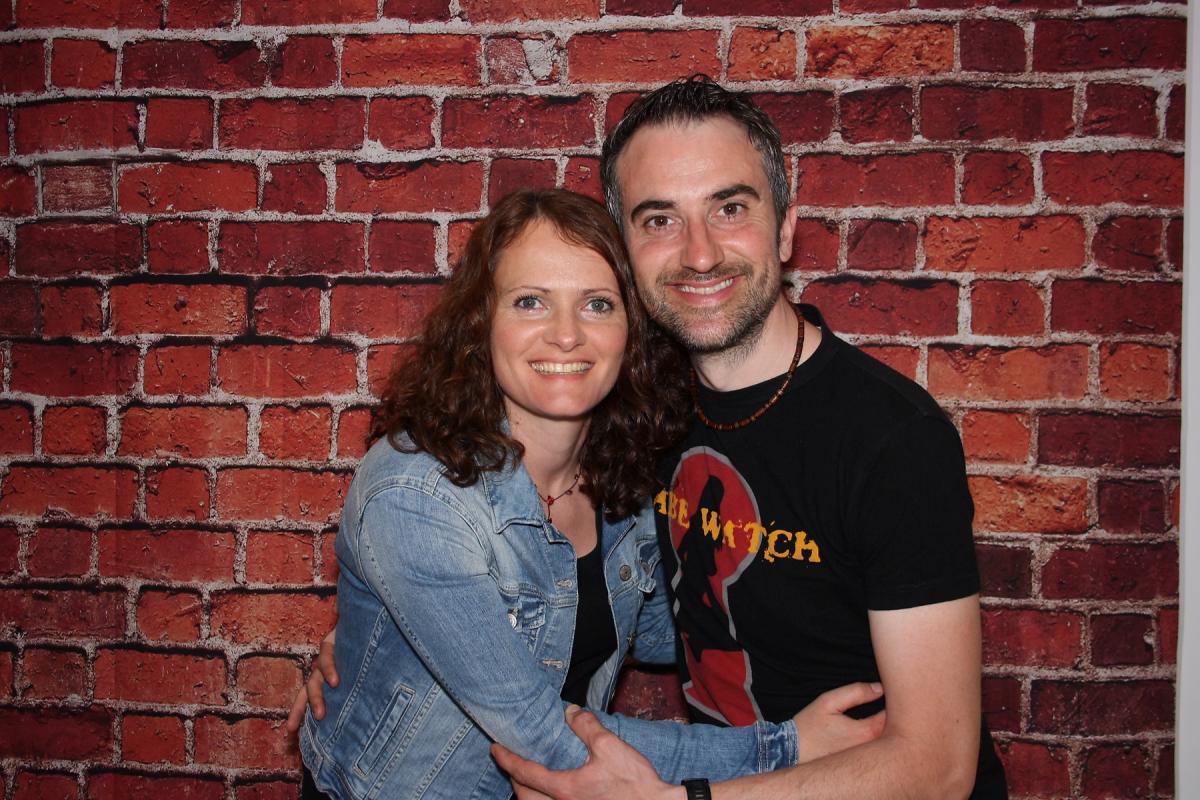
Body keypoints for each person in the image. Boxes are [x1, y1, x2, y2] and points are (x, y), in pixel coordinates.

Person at [491, 78, 1008, 799]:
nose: (700, 254)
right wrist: (396, 625)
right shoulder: (641, 407)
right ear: (625, 251)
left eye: (729, 209)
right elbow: (558, 574)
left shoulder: (891, 438)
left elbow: (937, 767)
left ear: (786, 229)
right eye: (660, 220)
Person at [292, 188, 886, 799]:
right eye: (530, 302)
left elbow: (677, 628)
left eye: (597, 304)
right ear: (481, 323)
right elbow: (546, 738)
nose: (566, 335)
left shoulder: (625, 484)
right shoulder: (417, 495)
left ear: (632, 330)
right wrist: (787, 748)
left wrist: (859, 611)